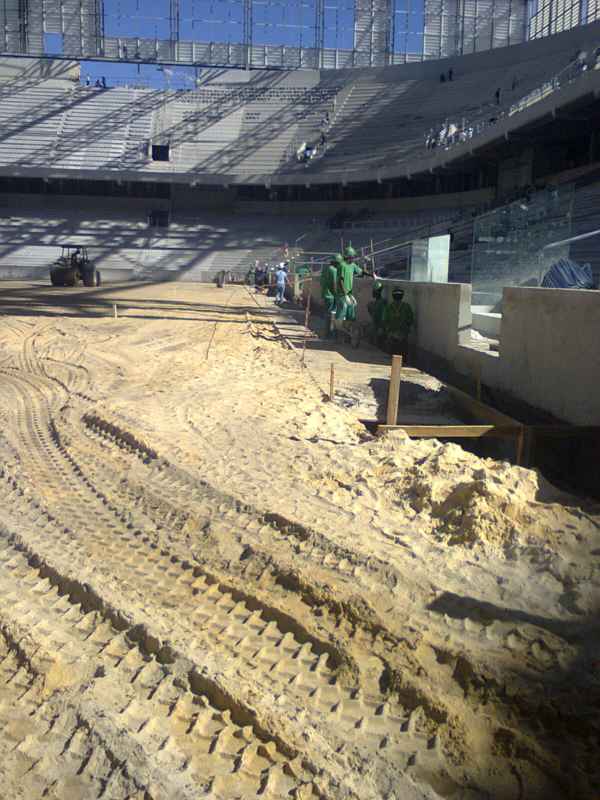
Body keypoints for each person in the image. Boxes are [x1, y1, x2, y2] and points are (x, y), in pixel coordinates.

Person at [383, 288, 414, 356]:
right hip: (403, 335)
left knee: (391, 355)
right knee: (403, 355)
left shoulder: (389, 307)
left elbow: (385, 321)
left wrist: (389, 332)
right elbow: (410, 320)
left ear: (393, 296)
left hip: (392, 334)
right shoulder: (407, 306)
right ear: (402, 296)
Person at [320, 256, 339, 336]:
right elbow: (334, 283)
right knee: (332, 315)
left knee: (327, 314)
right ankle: (330, 333)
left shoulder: (325, 269)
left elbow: (321, 282)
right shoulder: (334, 270)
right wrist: (337, 294)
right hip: (331, 296)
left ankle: (326, 332)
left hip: (325, 294)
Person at [367, 281, 388, 346]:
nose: (372, 292)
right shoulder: (374, 303)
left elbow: (383, 317)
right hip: (375, 329)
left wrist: (381, 328)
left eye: (374, 291)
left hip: (379, 329)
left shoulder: (382, 303)